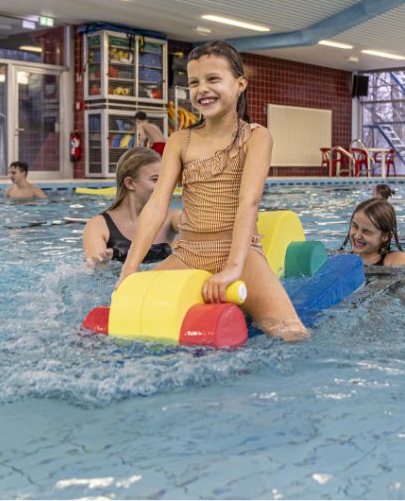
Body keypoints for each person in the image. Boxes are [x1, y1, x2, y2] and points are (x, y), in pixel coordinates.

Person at [118, 41, 307, 341]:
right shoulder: (180, 140)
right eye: (194, 83)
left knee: (292, 333)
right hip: (188, 254)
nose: (202, 89)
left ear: (240, 84)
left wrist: (233, 268)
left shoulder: (256, 137)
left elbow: (249, 202)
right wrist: (129, 270)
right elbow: (156, 205)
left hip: (241, 254)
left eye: (213, 79)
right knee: (127, 317)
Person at [82, 147, 181, 267]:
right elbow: (94, 265)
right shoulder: (98, 225)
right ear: (129, 183)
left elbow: (198, 228)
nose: (165, 186)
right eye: (155, 179)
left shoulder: (171, 217)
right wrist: (102, 260)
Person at [340, 198, 405, 267]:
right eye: (355, 226)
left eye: (366, 231)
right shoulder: (342, 258)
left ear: (385, 236)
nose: (357, 236)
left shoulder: (396, 259)